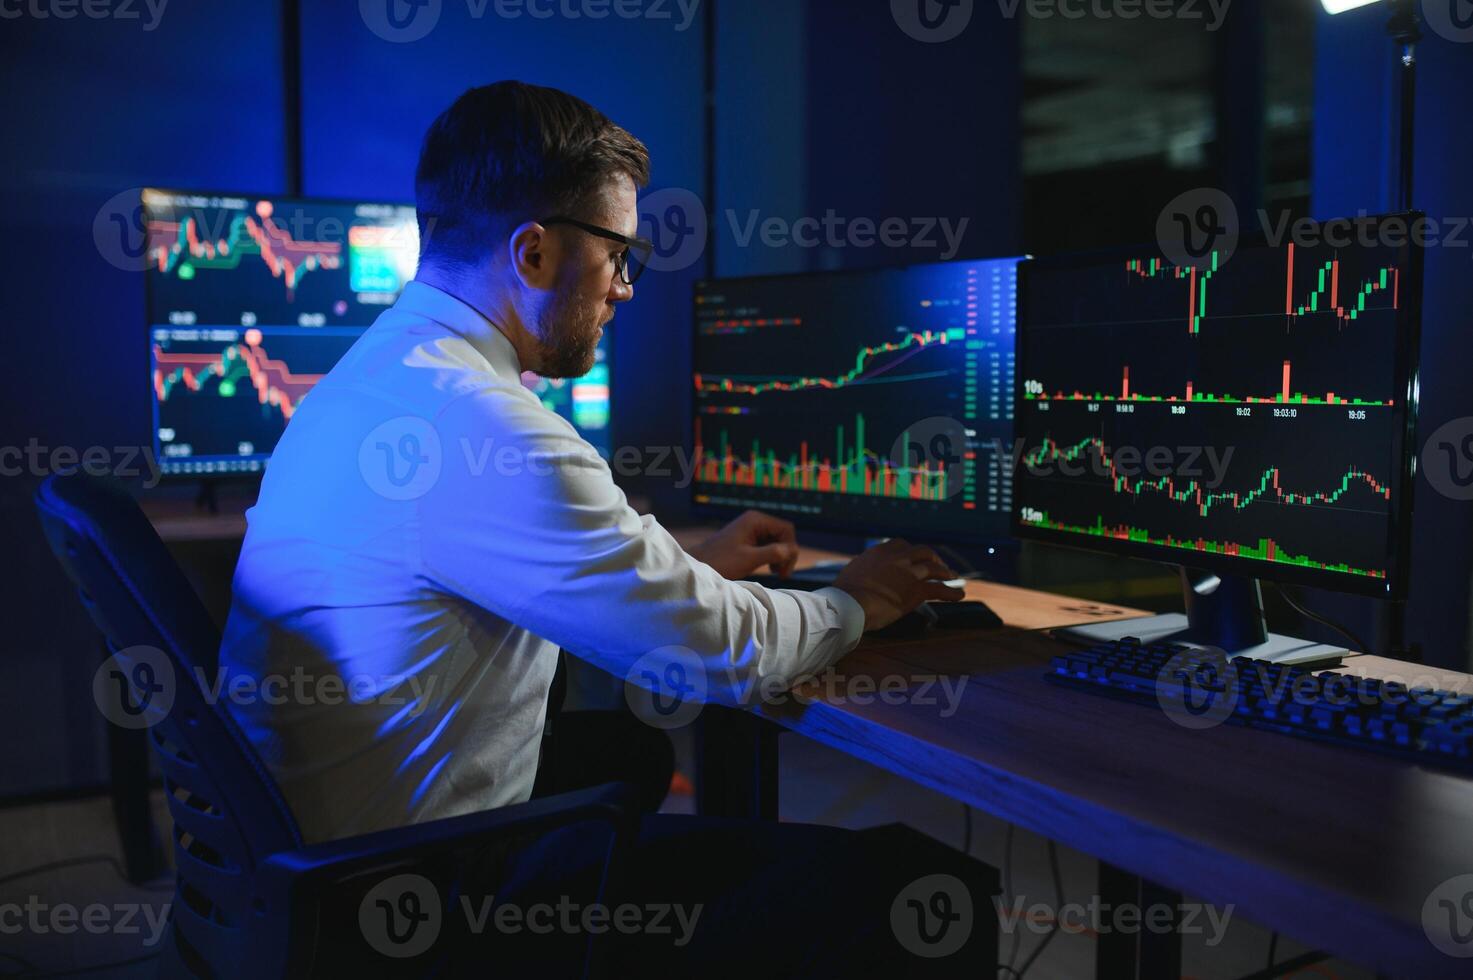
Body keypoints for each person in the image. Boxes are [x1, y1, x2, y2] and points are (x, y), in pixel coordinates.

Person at [219, 80, 991, 974]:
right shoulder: (482, 424)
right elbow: (719, 653)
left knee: (621, 748)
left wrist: (685, 562)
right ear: (536, 252)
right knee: (915, 890)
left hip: (302, 868)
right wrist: (855, 600)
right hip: (409, 900)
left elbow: (477, 564)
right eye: (620, 254)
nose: (625, 287)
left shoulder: (378, 375)